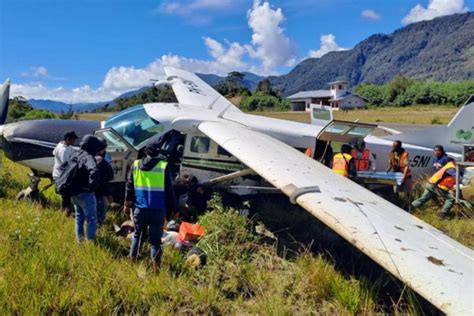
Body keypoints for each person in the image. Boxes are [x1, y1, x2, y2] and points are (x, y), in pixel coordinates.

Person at [124, 142, 177, 273]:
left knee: (137, 235)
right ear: (158, 153)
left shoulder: (136, 165)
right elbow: (169, 190)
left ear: (145, 152)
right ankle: (156, 269)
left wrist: (127, 203)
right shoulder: (163, 166)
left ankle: (132, 261)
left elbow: (129, 186)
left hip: (140, 208)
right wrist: (175, 209)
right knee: (155, 241)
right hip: (157, 210)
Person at [69, 135, 102, 242]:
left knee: (79, 218)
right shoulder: (88, 157)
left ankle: (80, 241)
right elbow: (94, 172)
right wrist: (91, 187)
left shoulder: (75, 154)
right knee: (91, 219)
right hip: (85, 193)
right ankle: (90, 241)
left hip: (74, 192)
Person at [52, 131, 78, 215]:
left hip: (58, 174)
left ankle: (63, 210)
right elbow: (67, 164)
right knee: (67, 195)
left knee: (64, 195)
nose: (74, 142)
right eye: (73, 140)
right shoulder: (64, 151)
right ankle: (67, 212)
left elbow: (54, 152)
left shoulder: (60, 145)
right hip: (62, 175)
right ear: (68, 139)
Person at [95, 139, 114, 226]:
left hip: (92, 189)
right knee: (101, 209)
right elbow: (106, 178)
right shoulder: (103, 159)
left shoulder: (91, 156)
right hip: (100, 190)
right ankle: (99, 226)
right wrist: (108, 194)